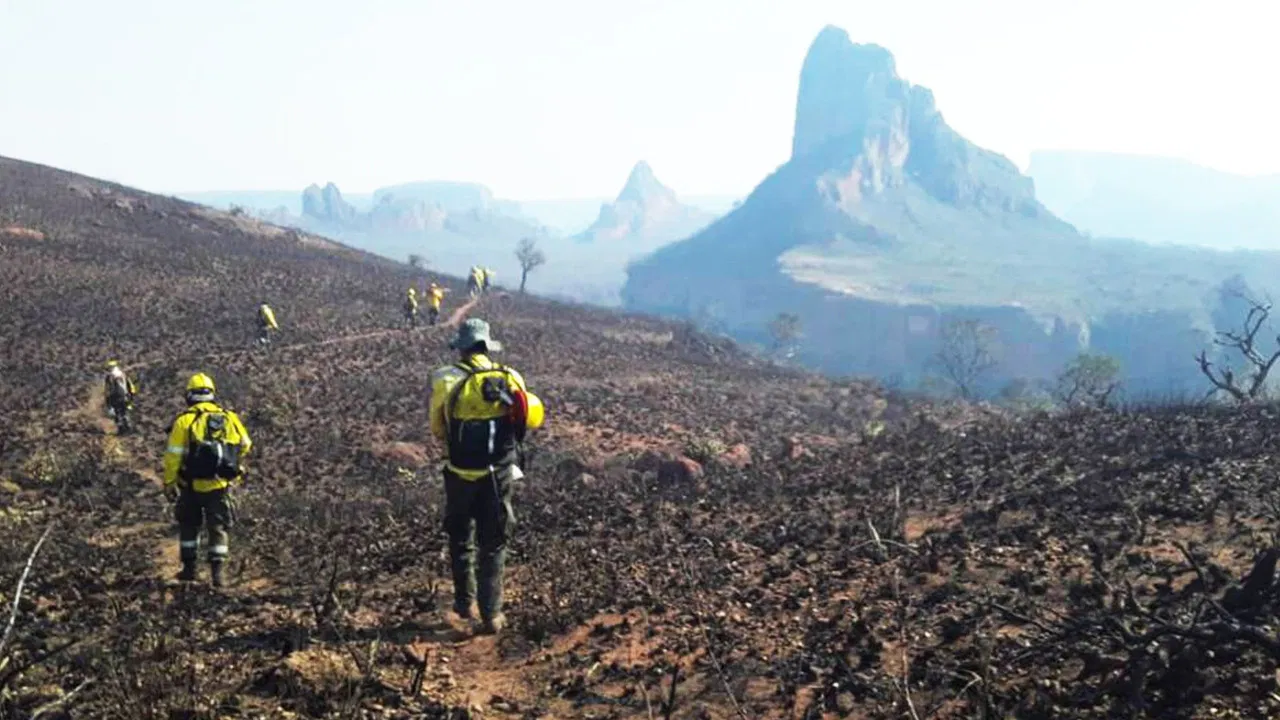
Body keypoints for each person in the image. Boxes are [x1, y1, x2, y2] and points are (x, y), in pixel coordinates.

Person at [429, 319, 545, 634]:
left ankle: (464, 603)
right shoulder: (511, 377)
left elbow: (438, 428)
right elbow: (527, 418)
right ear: (486, 346)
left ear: (462, 348)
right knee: (493, 541)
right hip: (498, 473)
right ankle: (491, 615)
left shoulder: (446, 379)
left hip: (459, 473)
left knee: (460, 535)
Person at [163, 373, 253, 587]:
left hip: (190, 486)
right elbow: (246, 444)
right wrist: (232, 464)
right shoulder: (229, 418)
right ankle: (218, 574)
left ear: (189, 395)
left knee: (189, 526)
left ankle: (190, 570)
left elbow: (173, 456)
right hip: (219, 485)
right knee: (218, 527)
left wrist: (169, 482)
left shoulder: (184, 421)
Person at [103, 360, 138, 435]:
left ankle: (121, 429)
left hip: (115, 398)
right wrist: (132, 397)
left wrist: (108, 402)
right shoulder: (123, 374)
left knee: (117, 414)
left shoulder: (109, 377)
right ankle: (128, 428)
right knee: (125, 412)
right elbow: (131, 387)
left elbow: (108, 390)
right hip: (125, 397)